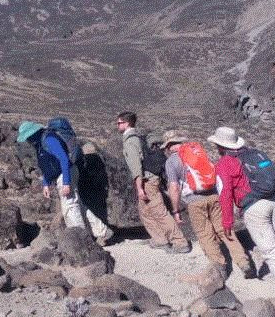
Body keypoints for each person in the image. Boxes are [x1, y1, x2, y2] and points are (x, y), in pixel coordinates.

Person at [209, 126, 275, 298]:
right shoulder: (254, 154)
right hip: (273, 201)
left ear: (220, 146)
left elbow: (225, 194)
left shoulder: (224, 163)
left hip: (254, 208)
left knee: (270, 250)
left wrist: (227, 221)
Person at [162, 130, 254, 282]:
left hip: (194, 202)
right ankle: (244, 263)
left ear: (170, 146)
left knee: (206, 235)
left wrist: (176, 210)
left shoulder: (171, 161)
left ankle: (220, 268)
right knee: (225, 230)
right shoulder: (198, 152)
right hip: (213, 196)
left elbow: (174, 187)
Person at [17, 121, 113, 245]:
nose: (28, 141)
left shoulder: (49, 140)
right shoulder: (40, 143)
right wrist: (46, 184)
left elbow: (63, 159)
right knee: (77, 205)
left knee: (70, 207)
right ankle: (103, 232)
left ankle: (80, 241)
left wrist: (66, 182)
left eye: (28, 137)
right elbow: (46, 165)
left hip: (66, 173)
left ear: (33, 134)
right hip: (63, 175)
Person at [116, 112, 189, 253]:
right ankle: (160, 240)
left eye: (119, 123)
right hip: (149, 179)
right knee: (145, 211)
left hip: (147, 181)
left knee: (159, 211)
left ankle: (180, 242)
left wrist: (139, 188)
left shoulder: (130, 140)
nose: (117, 125)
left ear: (127, 123)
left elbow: (136, 167)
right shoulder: (137, 137)